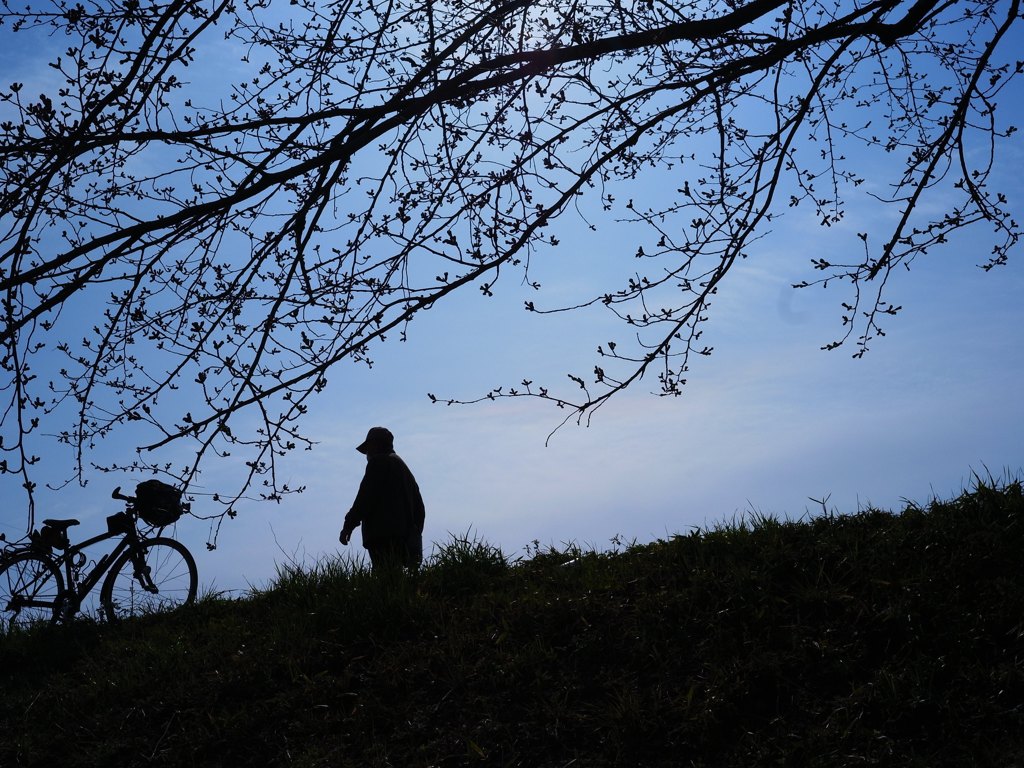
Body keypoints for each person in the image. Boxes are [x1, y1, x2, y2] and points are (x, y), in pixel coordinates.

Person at [339, 426, 425, 570]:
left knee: (385, 580)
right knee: (396, 580)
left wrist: (348, 526)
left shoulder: (379, 462)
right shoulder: (403, 468)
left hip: (382, 536)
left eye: (368, 449)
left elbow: (364, 499)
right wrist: (414, 533)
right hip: (404, 537)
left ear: (375, 445)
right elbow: (420, 508)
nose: (367, 454)